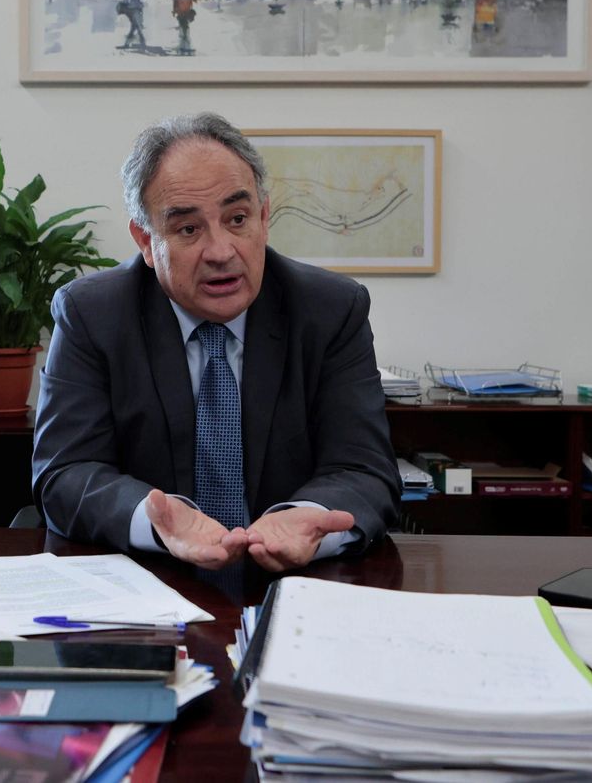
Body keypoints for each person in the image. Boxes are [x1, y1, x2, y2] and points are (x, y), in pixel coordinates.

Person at [32, 113, 399, 572]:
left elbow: (365, 469)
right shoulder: (93, 314)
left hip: (294, 579)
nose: (221, 252)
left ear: (264, 218)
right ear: (146, 241)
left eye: (238, 218)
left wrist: (306, 518)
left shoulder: (330, 310)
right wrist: (155, 521)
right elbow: (66, 473)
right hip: (149, 581)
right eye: (188, 229)